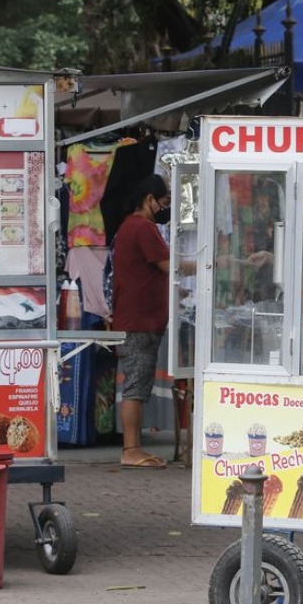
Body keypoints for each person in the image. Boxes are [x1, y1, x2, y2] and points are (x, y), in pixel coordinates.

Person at [111, 175, 172, 469]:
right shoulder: (142, 227)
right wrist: (207, 264)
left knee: (138, 383)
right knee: (135, 386)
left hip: (139, 318)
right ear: (149, 199)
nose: (165, 208)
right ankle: (131, 449)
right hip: (138, 321)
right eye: (164, 202)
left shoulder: (130, 226)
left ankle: (134, 447)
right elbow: (167, 264)